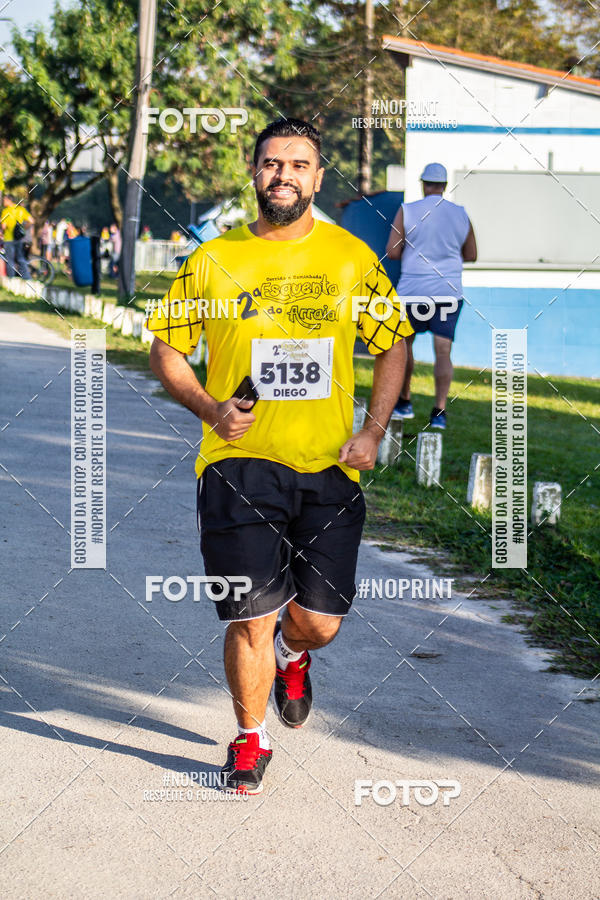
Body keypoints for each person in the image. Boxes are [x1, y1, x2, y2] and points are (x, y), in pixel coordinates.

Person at [147, 118, 413, 795]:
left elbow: (392, 345)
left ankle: (296, 657)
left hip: (328, 467)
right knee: (248, 613)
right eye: (271, 163)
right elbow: (167, 351)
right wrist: (212, 409)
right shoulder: (213, 260)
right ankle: (248, 737)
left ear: (318, 178)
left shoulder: (352, 260)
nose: (284, 174)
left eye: (299, 164)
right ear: (254, 172)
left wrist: (374, 431)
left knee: (319, 622)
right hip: (237, 467)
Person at [386, 162, 477, 430]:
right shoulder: (461, 214)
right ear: (445, 186)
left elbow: (392, 251)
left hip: (412, 292)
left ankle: (404, 401)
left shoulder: (408, 210)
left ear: (423, 183)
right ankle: (439, 411)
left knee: (404, 347)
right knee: (443, 350)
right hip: (447, 292)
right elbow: (471, 255)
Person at [1, 196, 33, 278]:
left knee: (10, 259)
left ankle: (11, 278)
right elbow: (31, 221)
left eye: (4, 200)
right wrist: (24, 229)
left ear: (9, 200)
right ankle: (27, 277)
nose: (3, 201)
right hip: (19, 238)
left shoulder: (6, 211)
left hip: (9, 239)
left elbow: (4, 226)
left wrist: (2, 232)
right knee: (20, 258)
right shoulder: (21, 210)